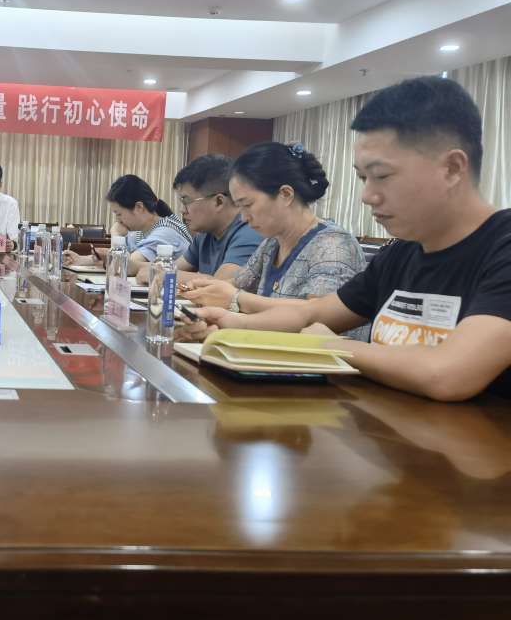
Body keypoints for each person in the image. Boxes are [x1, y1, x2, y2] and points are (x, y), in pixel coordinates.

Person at [194, 76, 511, 401]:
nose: (367, 196)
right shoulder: (401, 254)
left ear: (453, 168)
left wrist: (331, 345)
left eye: (382, 176)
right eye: (363, 178)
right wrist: (228, 324)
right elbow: (311, 314)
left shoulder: (501, 247)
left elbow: (447, 373)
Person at [183, 142, 365, 330]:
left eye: (248, 205)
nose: (244, 218)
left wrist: (235, 298)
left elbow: (320, 315)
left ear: (285, 194)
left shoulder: (333, 246)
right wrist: (206, 290)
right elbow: (236, 284)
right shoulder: (272, 244)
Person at [140, 154, 262, 285]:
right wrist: (147, 269)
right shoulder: (205, 234)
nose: (182, 210)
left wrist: (161, 274)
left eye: (186, 201)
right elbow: (173, 268)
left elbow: (219, 286)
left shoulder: (249, 231)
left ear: (219, 202)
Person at [63, 175, 189, 277]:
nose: (118, 220)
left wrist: (116, 234)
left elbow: (122, 266)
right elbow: (121, 257)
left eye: (119, 214)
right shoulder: (139, 231)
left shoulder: (166, 232)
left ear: (139, 207)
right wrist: (80, 260)